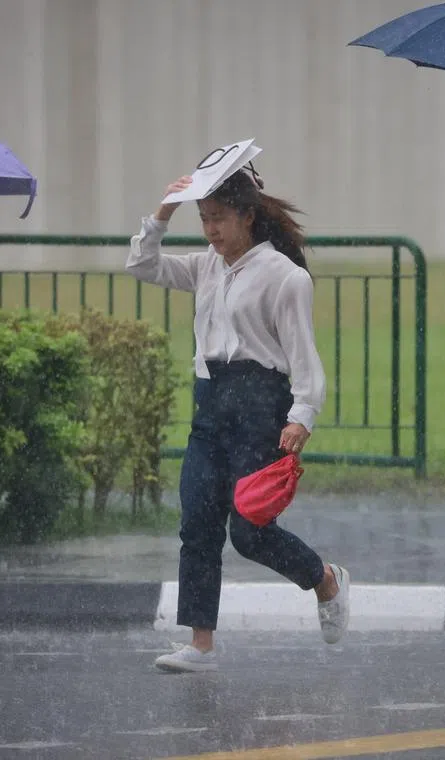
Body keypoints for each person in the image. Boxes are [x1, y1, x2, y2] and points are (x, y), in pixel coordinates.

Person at [126, 164, 350, 673]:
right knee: (198, 522)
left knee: (250, 532)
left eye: (220, 218)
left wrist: (302, 416)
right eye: (204, 219)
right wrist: (165, 209)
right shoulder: (206, 264)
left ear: (248, 216)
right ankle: (200, 642)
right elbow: (142, 264)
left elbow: (302, 356)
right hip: (211, 403)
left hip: (261, 407)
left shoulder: (285, 277)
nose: (211, 230)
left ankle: (325, 580)